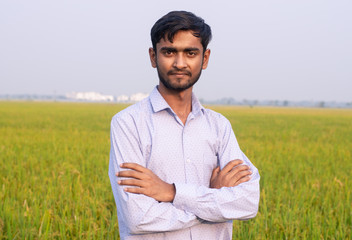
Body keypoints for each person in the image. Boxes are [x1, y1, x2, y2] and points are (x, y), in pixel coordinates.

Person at [109, 10, 260, 240]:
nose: (180, 63)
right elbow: (138, 217)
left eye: (190, 53)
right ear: (153, 57)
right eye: (169, 52)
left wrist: (171, 192)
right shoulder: (128, 124)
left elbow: (248, 202)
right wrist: (212, 200)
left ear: (205, 58)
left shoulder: (219, 127)